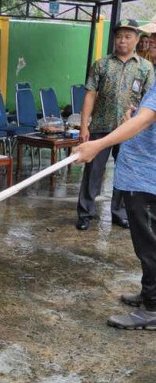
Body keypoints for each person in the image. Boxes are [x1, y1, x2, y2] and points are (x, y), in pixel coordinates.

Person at [73, 64, 156, 329]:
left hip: (147, 179)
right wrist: (129, 123)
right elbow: (143, 122)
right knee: (146, 243)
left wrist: (98, 144)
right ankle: (148, 293)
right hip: (140, 174)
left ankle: (153, 308)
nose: (150, 44)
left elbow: (145, 120)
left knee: (149, 245)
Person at [75, 19, 154, 231]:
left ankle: (119, 213)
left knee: (124, 174)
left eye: (128, 36)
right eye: (119, 36)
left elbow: (149, 101)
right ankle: (85, 213)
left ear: (137, 40)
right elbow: (90, 95)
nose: (122, 40)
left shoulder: (146, 68)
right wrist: (84, 126)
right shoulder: (101, 64)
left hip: (129, 132)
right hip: (101, 126)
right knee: (93, 172)